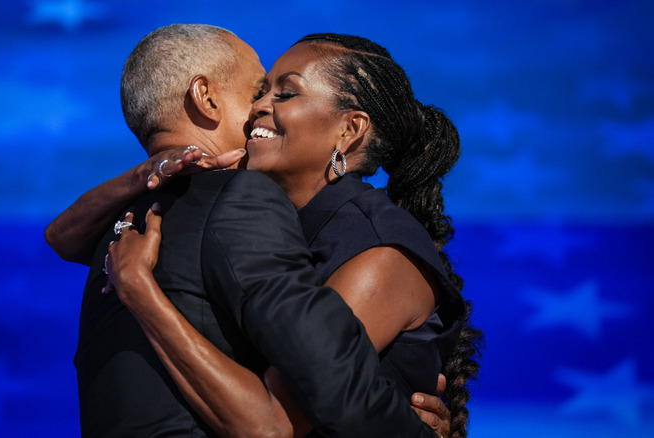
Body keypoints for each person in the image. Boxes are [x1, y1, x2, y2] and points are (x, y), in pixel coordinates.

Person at [47, 24, 463, 437]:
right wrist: (146, 173)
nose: (259, 107)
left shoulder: (375, 250)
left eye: (284, 93)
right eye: (259, 92)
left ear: (349, 130)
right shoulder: (253, 222)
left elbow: (273, 423)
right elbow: (63, 237)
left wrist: (142, 294)